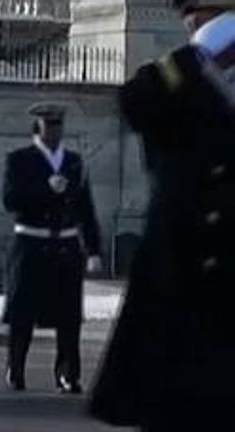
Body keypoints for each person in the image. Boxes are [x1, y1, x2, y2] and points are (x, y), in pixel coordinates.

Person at [89, 1, 235, 430]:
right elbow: (137, 102)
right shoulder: (180, 79)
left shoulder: (181, 77)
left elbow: (140, 103)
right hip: (186, 283)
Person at [2, 102, 102, 394]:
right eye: (49, 125)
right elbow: (10, 199)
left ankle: (68, 373)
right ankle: (16, 367)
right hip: (31, 243)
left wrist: (93, 249)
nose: (55, 131)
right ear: (38, 128)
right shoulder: (20, 160)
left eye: (58, 125)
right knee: (23, 313)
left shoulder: (73, 162)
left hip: (65, 245)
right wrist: (46, 189)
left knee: (68, 316)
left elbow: (85, 208)